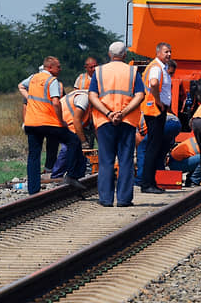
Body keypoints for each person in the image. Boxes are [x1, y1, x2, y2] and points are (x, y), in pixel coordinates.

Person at [88, 41, 145, 207]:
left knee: (106, 160)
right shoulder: (133, 71)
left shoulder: (99, 71)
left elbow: (92, 96)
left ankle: (105, 199)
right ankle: (124, 199)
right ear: (125, 56)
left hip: (105, 121)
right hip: (127, 121)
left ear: (109, 54)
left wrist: (108, 113)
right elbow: (139, 95)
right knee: (125, 160)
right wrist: (123, 113)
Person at [22, 56, 85, 195]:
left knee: (34, 156)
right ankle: (73, 175)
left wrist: (29, 98)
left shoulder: (33, 78)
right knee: (74, 140)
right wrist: (61, 120)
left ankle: (33, 190)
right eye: (58, 66)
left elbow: (21, 85)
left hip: (31, 123)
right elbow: (56, 102)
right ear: (50, 67)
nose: (60, 69)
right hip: (48, 122)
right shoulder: (52, 81)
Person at [139, 42, 173, 194]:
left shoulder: (160, 67)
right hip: (154, 110)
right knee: (153, 147)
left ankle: (150, 182)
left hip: (155, 110)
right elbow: (153, 84)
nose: (169, 54)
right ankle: (147, 184)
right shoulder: (156, 67)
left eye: (170, 52)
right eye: (166, 52)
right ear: (158, 52)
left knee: (154, 146)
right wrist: (159, 103)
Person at [49, 89, 90, 179]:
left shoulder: (87, 97)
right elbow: (76, 120)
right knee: (67, 147)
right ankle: (56, 175)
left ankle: (77, 173)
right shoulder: (84, 99)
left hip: (67, 122)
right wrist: (84, 141)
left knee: (75, 147)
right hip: (61, 121)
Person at [134, 113, 181, 188]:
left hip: (165, 124)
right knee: (159, 154)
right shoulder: (143, 114)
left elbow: (139, 141)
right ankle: (159, 178)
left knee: (142, 148)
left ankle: (140, 179)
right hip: (176, 124)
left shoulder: (133, 120)